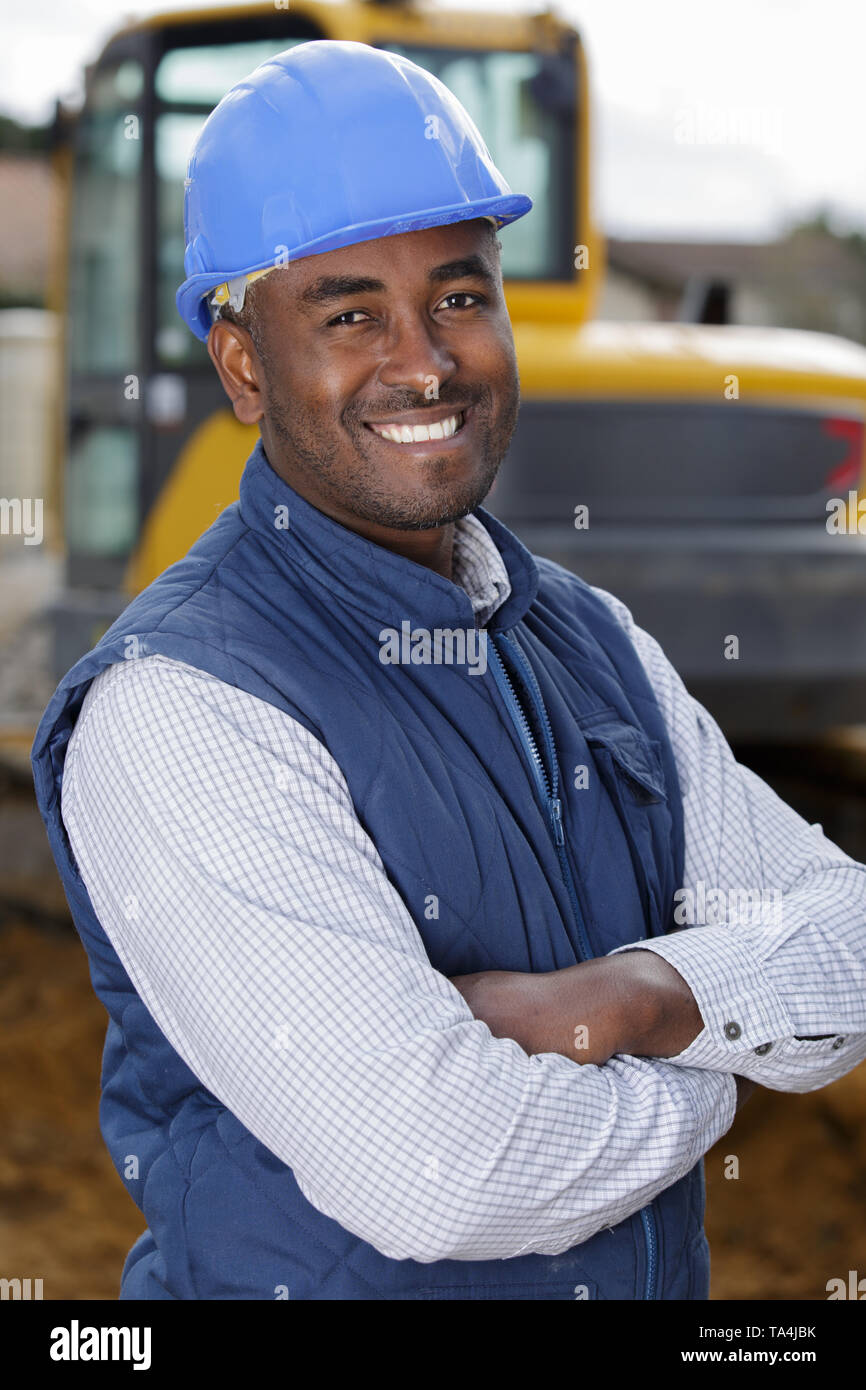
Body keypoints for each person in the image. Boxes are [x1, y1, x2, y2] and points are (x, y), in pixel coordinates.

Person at [32, 39, 866, 1301]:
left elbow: (849, 941)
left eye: (460, 297)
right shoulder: (181, 706)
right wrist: (714, 1071)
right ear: (244, 365)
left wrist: (638, 996)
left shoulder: (589, 639)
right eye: (351, 312)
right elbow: (440, 1167)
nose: (423, 362)